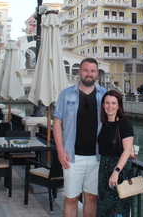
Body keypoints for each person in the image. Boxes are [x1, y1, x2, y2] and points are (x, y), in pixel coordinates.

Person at [53, 57, 107, 217]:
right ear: (79, 72)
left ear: (97, 74)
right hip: (72, 157)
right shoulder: (66, 94)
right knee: (71, 198)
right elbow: (57, 123)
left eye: (92, 71)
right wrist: (60, 151)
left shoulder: (105, 96)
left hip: (97, 158)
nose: (88, 74)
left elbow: (116, 124)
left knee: (91, 198)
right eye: (85, 70)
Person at [97, 90, 134, 217]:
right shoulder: (104, 124)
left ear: (119, 106)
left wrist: (116, 172)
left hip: (119, 173)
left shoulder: (124, 123)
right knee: (103, 209)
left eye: (113, 103)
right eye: (107, 103)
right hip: (104, 172)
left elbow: (127, 150)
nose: (110, 106)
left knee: (117, 211)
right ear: (103, 105)